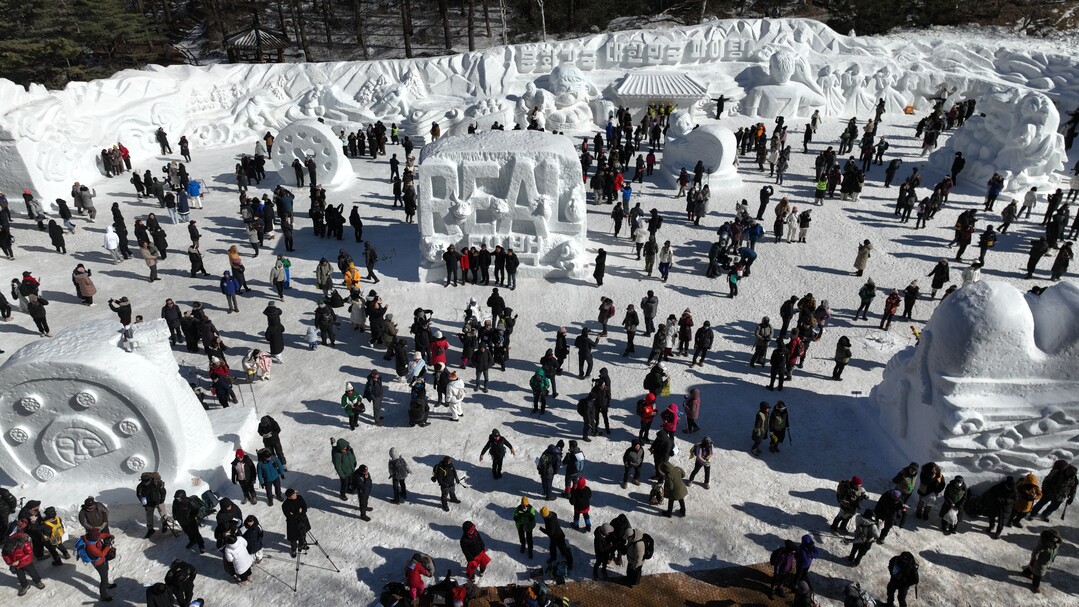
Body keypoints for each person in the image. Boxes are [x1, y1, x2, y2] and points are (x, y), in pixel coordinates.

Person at [80, 527, 117, 601]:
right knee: (103, 578)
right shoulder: (91, 546)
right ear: (94, 536)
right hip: (98, 563)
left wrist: (109, 535)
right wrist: (107, 546)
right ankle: (103, 595)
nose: (99, 536)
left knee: (106, 571)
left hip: (103, 560)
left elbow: (102, 535)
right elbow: (101, 554)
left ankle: (106, 584)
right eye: (97, 535)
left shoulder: (93, 536)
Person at [1022, 529, 1062, 594]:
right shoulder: (1043, 545)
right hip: (1040, 562)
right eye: (1054, 538)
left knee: (1033, 568)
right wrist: (1034, 558)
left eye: (1056, 537)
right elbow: (1035, 552)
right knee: (1038, 574)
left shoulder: (1056, 544)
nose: (1056, 539)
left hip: (1046, 561)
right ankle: (1035, 586)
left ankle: (1026, 573)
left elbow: (1054, 551)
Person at [136, 472, 169, 538]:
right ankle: (150, 529)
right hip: (149, 503)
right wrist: (144, 503)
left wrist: (162, 500)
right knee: (149, 516)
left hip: (158, 502)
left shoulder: (157, 484)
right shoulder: (140, 486)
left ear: (150, 479)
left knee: (163, 513)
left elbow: (163, 492)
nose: (145, 482)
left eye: (147, 480)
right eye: (143, 481)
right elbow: (139, 495)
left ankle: (165, 524)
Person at [281, 489, 310, 557]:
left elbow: (305, 508)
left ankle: (302, 544)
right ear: (289, 497)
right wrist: (299, 512)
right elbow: (289, 516)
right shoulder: (285, 505)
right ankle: (294, 550)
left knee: (303, 534)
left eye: (295, 493)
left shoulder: (299, 498)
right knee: (293, 538)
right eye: (293, 495)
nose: (295, 495)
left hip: (302, 520)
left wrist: (295, 514)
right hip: (293, 524)